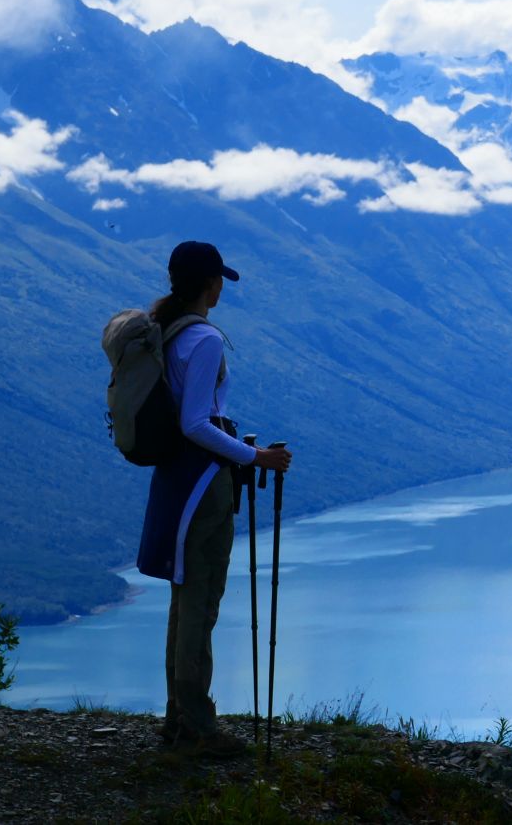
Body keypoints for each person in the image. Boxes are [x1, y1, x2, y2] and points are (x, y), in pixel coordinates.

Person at [134, 240, 291, 757]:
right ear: (209, 285)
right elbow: (196, 422)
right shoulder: (203, 340)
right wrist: (255, 459)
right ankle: (198, 730)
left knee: (185, 601)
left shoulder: (167, 331)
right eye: (219, 279)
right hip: (203, 484)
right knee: (200, 601)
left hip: (176, 480)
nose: (222, 286)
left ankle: (179, 719)